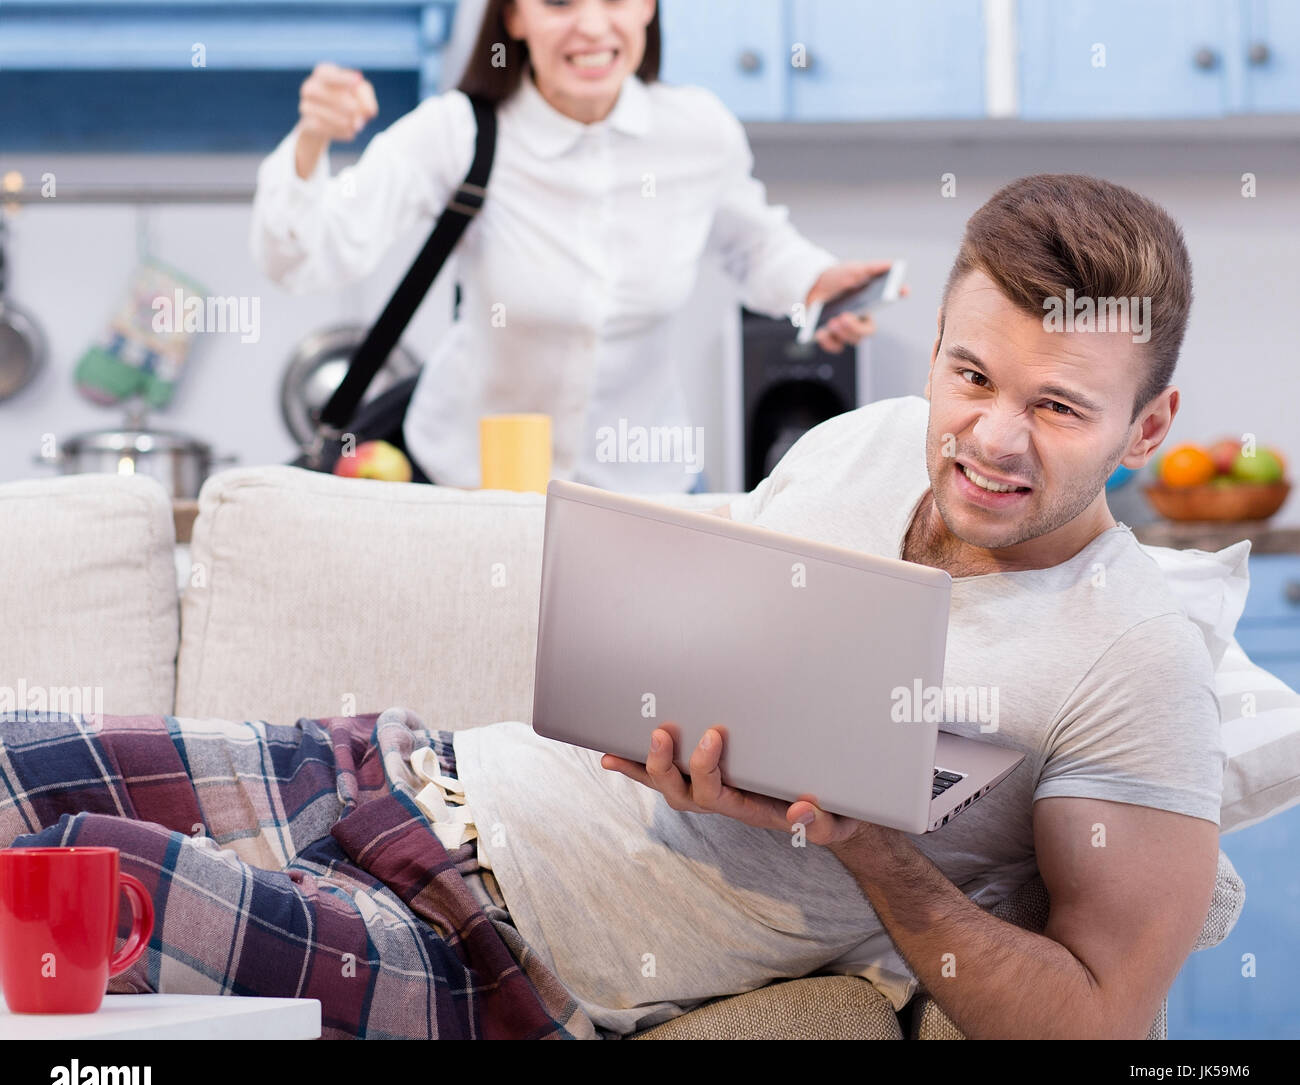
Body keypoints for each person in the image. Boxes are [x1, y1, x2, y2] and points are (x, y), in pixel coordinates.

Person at [1, 174, 1221, 1041]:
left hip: (489, 950)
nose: (990, 438)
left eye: (1058, 406)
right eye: (970, 375)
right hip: (408, 769)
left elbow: (1100, 1021)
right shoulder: (867, 443)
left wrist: (873, 851)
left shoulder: (1128, 659)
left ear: (1146, 427)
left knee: (70, 883)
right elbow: (720, 626)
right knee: (17, 768)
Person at [250, 0, 902, 493]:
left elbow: (757, 248)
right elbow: (308, 257)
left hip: (646, 491)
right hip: (473, 488)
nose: (592, 25)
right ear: (514, 13)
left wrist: (818, 283)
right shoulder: (459, 132)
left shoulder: (697, 131)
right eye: (558, 0)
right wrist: (312, 140)